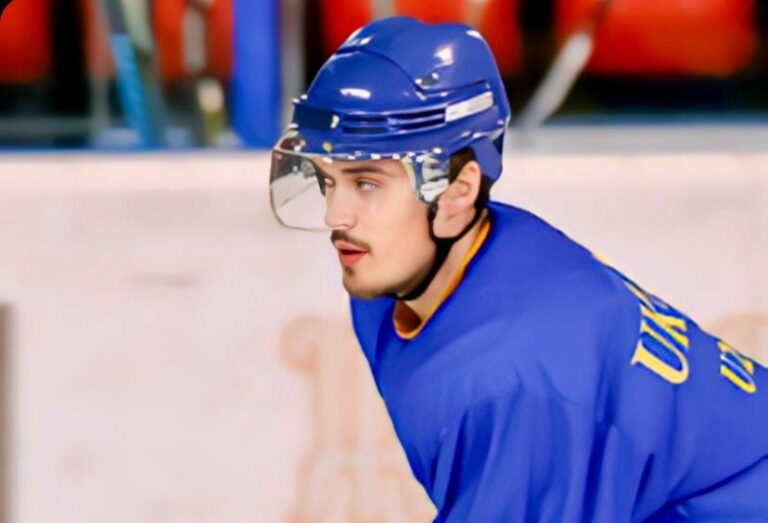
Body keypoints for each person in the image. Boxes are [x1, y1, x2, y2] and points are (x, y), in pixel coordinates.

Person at [269, 17, 768, 522]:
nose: (335, 216)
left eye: (367, 183)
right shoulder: (409, 276)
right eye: (327, 180)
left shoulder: (511, 380)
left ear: (459, 191)